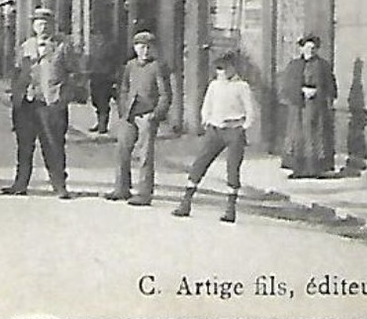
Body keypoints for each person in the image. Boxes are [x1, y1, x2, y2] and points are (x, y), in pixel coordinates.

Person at [172, 51, 258, 223]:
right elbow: (206, 105)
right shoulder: (214, 86)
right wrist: (206, 120)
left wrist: (243, 127)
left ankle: (230, 209)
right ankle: (186, 202)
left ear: (233, 68)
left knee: (232, 168)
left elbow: (250, 111)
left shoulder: (242, 86)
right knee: (200, 163)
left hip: (234, 129)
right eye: (219, 69)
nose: (222, 73)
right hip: (215, 130)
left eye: (226, 69)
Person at [2, 6, 74, 199]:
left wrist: (62, 97)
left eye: (45, 24)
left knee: (53, 145)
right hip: (27, 102)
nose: (41, 27)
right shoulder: (25, 46)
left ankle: (59, 186)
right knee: (24, 145)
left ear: (52, 25)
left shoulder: (62, 46)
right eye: (38, 23)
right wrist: (16, 95)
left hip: (51, 103)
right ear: (33, 26)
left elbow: (74, 74)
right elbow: (17, 72)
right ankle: (20, 184)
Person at [105, 29, 172, 206]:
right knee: (122, 151)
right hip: (129, 115)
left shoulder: (157, 67)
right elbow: (124, 88)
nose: (145, 51)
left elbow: (165, 95)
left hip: (146, 115)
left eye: (149, 47)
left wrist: (155, 115)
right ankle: (121, 189)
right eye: (141, 47)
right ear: (135, 48)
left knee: (145, 155)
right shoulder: (130, 66)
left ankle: (144, 193)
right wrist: (122, 109)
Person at [280, 33, 338, 178]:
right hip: (298, 107)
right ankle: (298, 169)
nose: (310, 51)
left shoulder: (323, 65)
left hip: (316, 107)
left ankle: (316, 170)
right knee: (298, 136)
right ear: (301, 49)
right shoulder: (294, 65)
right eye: (307, 48)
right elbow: (287, 85)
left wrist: (318, 91)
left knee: (316, 136)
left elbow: (331, 85)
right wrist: (300, 90)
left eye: (313, 48)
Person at [85, 30, 123, 134]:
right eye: (95, 35)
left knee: (103, 102)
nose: (97, 37)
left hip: (105, 78)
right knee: (95, 100)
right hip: (95, 77)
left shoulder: (110, 47)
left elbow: (116, 62)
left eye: (98, 34)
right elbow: (90, 61)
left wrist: (115, 76)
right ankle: (99, 122)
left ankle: (103, 125)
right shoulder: (94, 47)